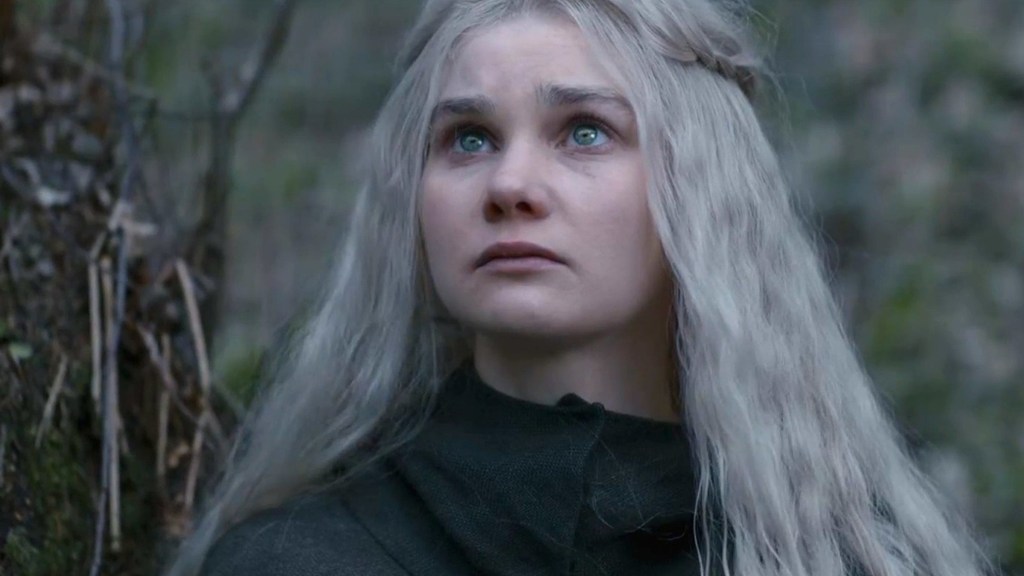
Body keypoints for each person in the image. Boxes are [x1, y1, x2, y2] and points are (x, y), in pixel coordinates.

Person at [165, 1, 1001, 575]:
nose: (509, 184)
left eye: (585, 131)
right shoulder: (303, 560)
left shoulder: (843, 559)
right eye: (468, 139)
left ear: (700, 188)